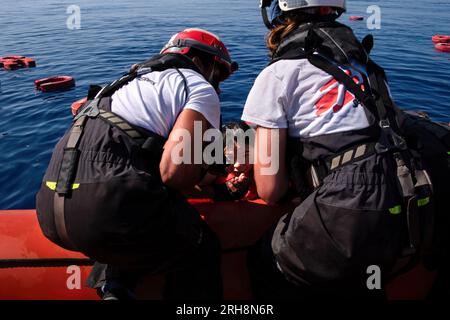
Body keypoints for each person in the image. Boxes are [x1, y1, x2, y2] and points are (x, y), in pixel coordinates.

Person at [242, 0, 448, 299]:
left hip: (352, 204)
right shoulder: (368, 69)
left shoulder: (278, 75)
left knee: (265, 261)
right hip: (411, 203)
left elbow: (270, 190)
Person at [36, 28, 238, 300]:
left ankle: (115, 289)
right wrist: (215, 184)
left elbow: (136, 159)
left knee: (132, 219)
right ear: (202, 61)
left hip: (49, 212)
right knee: (201, 248)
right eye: (219, 74)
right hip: (108, 208)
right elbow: (174, 175)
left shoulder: (124, 84)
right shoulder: (198, 86)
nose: (219, 85)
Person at [186, 121, 258, 201]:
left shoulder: (260, 170)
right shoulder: (215, 169)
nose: (238, 164)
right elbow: (186, 190)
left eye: (245, 155)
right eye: (231, 156)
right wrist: (222, 191)